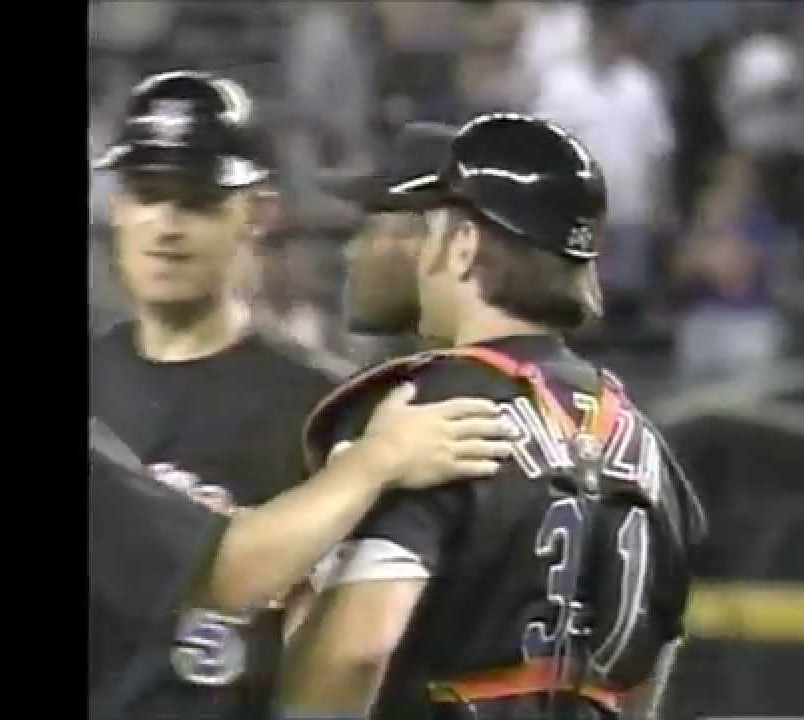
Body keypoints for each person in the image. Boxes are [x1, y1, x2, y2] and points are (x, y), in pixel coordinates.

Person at [89, 71, 512, 720]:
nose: (166, 225)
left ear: (259, 211)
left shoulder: (338, 406)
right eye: (147, 194)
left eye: (196, 200)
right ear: (117, 206)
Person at [283, 113, 707, 720]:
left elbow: (358, 648)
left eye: (432, 228)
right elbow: (653, 661)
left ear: (462, 246)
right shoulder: (642, 439)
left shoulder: (427, 413)